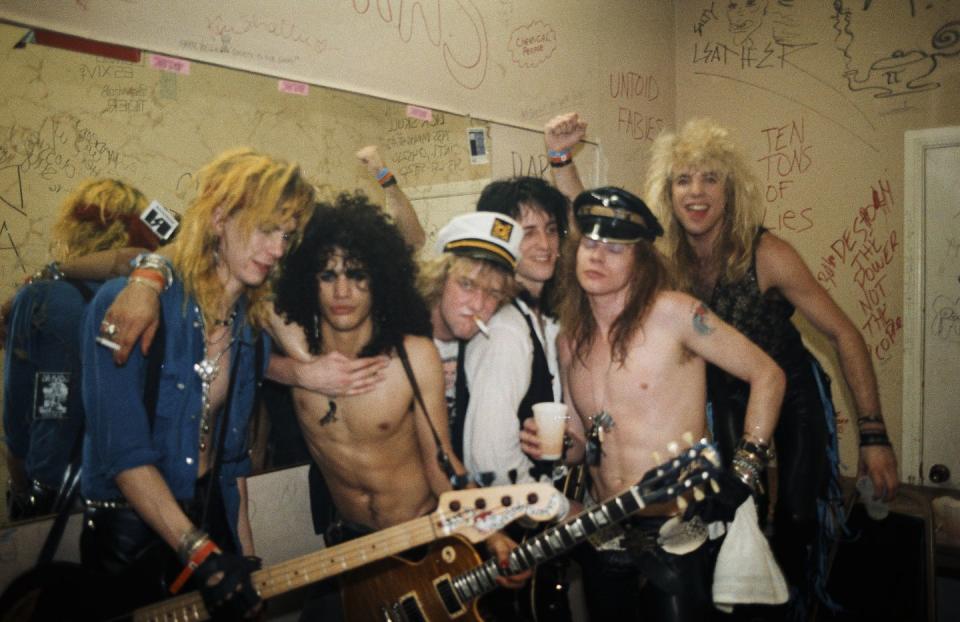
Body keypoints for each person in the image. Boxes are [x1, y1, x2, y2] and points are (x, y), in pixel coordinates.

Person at [643, 118, 899, 616]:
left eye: (710, 178)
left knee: (799, 517)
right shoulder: (664, 263)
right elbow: (599, 243)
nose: (696, 192)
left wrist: (874, 436)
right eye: (683, 179)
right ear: (668, 193)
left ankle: (794, 606)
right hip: (723, 397)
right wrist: (564, 165)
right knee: (736, 512)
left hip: (791, 389)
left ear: (730, 190)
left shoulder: (769, 254)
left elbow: (844, 333)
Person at [522, 186, 785, 621]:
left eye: (614, 248)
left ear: (640, 260)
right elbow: (590, 446)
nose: (597, 256)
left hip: (676, 532)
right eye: (589, 243)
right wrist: (557, 447)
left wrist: (743, 473)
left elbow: (768, 375)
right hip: (603, 533)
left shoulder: (676, 314)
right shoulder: (570, 340)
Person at [80, 148, 315, 618]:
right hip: (134, 535)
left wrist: (245, 560)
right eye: (267, 229)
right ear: (220, 217)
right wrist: (200, 552)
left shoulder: (246, 326)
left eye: (287, 235)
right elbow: (124, 456)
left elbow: (232, 466)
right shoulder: (126, 305)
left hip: (210, 522)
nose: (278, 249)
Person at [3, 178, 163, 520]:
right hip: (140, 487)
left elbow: (16, 419)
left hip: (53, 485)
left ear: (74, 229)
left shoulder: (42, 296)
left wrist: (20, 489)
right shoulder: (152, 294)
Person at [417, 211, 525, 486]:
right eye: (467, 284)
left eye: (492, 293)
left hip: (455, 499)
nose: (478, 304)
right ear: (440, 278)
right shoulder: (401, 338)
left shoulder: (483, 344)